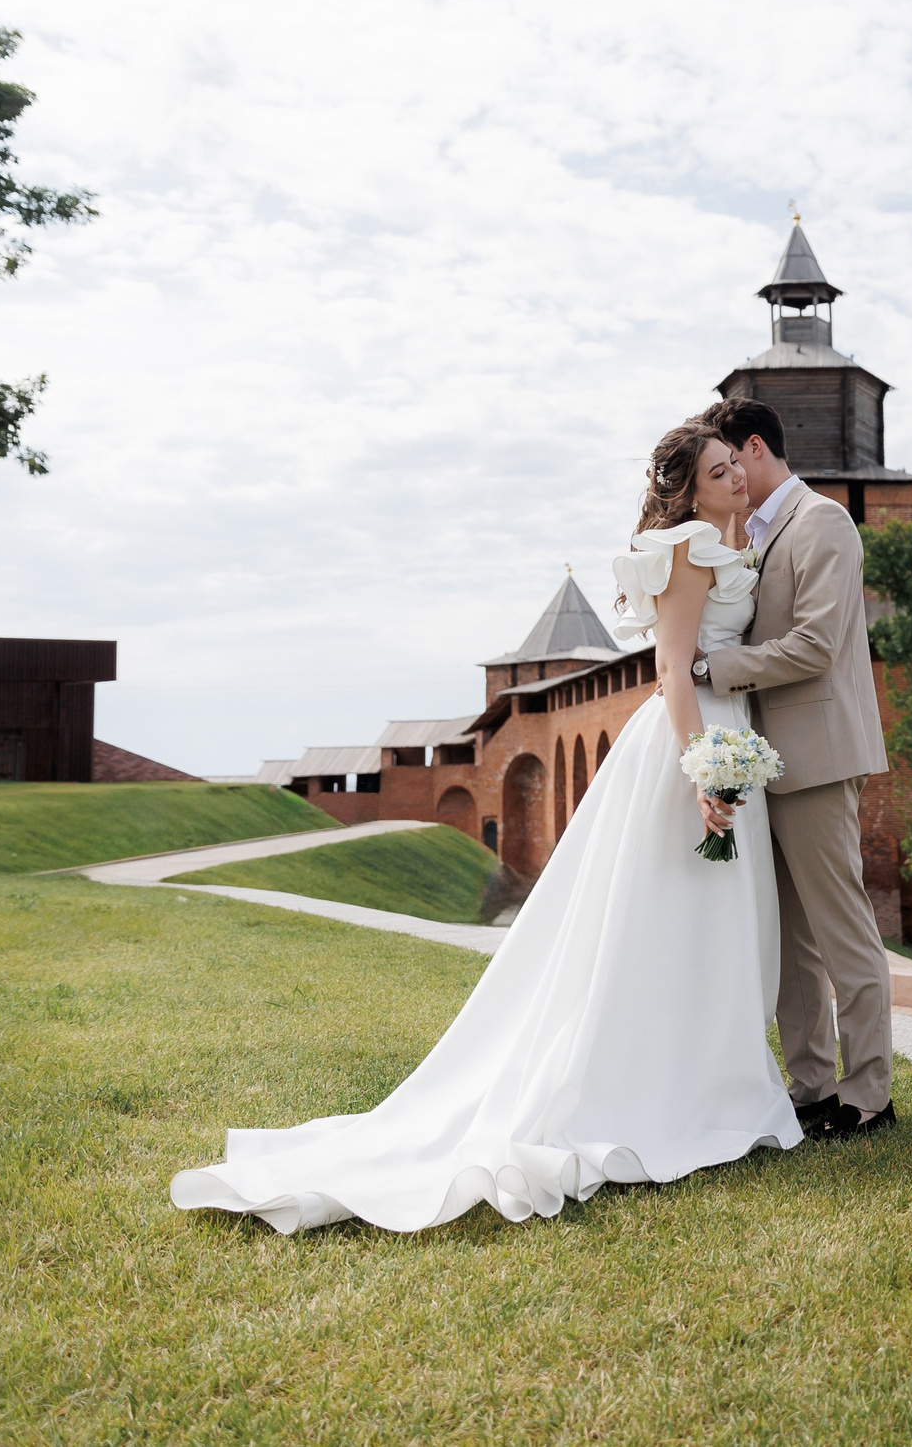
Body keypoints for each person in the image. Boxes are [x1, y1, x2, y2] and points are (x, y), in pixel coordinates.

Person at [170, 422, 801, 1233]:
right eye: (719, 471)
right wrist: (704, 767)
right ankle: (666, 1088)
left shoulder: (731, 543)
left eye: (735, 466)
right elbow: (672, 670)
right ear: (690, 489)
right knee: (668, 915)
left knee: (706, 920)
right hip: (693, 745)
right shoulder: (687, 549)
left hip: (724, 736)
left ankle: (713, 1080)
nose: (737, 479)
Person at [693, 396, 896, 1139]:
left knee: (843, 933)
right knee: (791, 945)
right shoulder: (749, 533)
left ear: (752, 448)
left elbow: (815, 644)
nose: (723, 478)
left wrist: (715, 668)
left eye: (723, 462)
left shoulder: (823, 522)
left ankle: (869, 1093)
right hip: (762, 760)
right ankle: (811, 1087)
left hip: (815, 758)